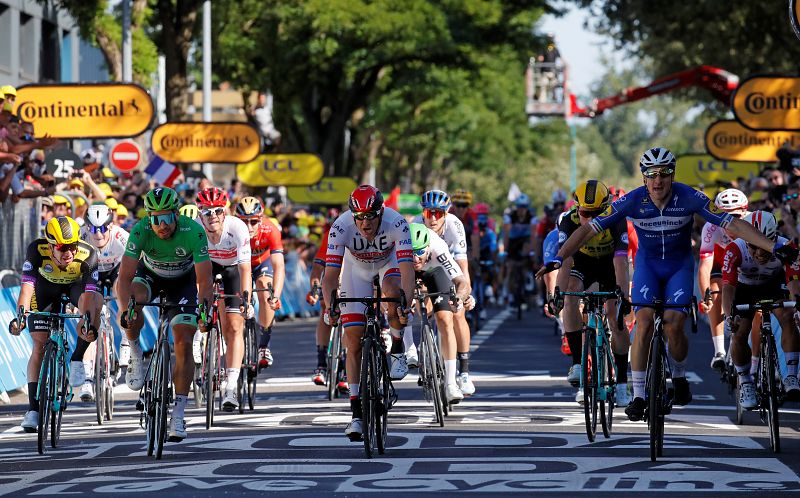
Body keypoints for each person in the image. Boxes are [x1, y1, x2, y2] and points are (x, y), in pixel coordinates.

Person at [539, 147, 797, 422]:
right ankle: (638, 395)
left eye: (664, 174)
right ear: (644, 178)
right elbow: (587, 230)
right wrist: (558, 257)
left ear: (672, 175)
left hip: (678, 266)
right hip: (648, 267)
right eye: (651, 175)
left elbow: (733, 224)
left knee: (674, 322)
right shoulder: (631, 201)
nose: (658, 181)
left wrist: (772, 246)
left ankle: (679, 375)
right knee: (645, 321)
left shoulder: (689, 197)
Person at [117, 187, 213, 441]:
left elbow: (204, 279)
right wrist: (125, 310)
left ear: (176, 214)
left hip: (183, 282)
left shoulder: (193, 230)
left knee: (183, 341)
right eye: (155, 219)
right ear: (149, 218)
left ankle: (179, 414)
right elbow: (124, 277)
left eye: (167, 218)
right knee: (133, 302)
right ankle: (135, 351)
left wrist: (205, 311)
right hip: (150, 276)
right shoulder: (140, 231)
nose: (162, 225)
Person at [321, 185, 414, 441]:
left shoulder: (397, 223)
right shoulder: (340, 227)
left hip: (389, 265)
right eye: (359, 217)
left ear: (380, 211)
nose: (364, 223)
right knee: (353, 339)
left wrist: (405, 302)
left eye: (370, 216)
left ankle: (397, 347)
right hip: (356, 271)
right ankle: (356, 414)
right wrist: (331, 304)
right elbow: (330, 276)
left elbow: (407, 270)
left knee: (393, 294)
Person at [9, 216, 103, 432]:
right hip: (45, 289)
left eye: (72, 246)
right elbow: (27, 289)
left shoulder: (88, 254)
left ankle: (77, 358)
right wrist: (20, 317)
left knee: (96, 303)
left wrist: (86, 323)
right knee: (39, 345)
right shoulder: (36, 250)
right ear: (50, 246)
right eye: (62, 247)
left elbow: (88, 298)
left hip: (75, 288)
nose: (69, 252)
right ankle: (33, 409)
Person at [552, 180, 631, 407]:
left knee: (614, 317)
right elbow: (565, 258)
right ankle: (577, 363)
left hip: (609, 264)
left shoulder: (616, 220)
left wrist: (623, 294)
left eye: (598, 213)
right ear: (577, 208)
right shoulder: (568, 221)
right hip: (582, 263)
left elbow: (620, 262)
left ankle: (622, 382)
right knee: (570, 295)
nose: (591, 219)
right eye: (586, 212)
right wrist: (558, 290)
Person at [721, 211, 800, 407]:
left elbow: (793, 281)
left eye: (763, 248)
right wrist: (728, 315)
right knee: (739, 332)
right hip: (743, 287)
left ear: (773, 239)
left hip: (774, 285)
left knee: (788, 315)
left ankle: (791, 375)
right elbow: (728, 287)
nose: (758, 253)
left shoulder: (787, 247)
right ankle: (746, 381)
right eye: (752, 246)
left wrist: (797, 305)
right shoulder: (734, 249)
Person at [196, 187, 253, 412]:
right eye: (206, 212)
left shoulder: (237, 228)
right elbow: (194, 272)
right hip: (207, 268)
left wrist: (246, 299)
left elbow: (245, 269)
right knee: (201, 313)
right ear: (200, 214)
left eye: (217, 211)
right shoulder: (196, 230)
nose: (212, 217)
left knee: (234, 326)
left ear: (225, 211)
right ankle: (201, 344)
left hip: (233, 271)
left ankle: (230, 385)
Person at [416, 190, 476, 396]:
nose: (432, 218)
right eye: (428, 213)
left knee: (457, 314)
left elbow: (461, 266)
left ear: (446, 213)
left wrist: (466, 294)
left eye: (438, 214)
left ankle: (464, 371)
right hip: (423, 268)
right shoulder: (415, 224)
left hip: (447, 267)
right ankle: (424, 349)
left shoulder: (455, 225)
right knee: (422, 305)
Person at [71, 203, 131, 402]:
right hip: (92, 273)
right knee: (90, 318)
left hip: (115, 271)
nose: (98, 234)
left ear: (110, 226)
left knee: (120, 290)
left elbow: (137, 263)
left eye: (103, 228)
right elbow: (73, 268)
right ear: (87, 227)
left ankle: (124, 338)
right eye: (94, 228)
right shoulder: (80, 236)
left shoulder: (121, 236)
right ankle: (87, 377)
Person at [697, 189, 749, 371]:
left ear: (745, 212)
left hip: (744, 260)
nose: (729, 222)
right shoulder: (710, 228)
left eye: (735, 216)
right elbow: (705, 266)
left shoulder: (754, 223)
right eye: (724, 216)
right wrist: (706, 296)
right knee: (715, 292)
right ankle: (719, 351)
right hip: (720, 259)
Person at [234, 196, 285, 370]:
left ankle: (264, 345)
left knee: (265, 289)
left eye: (253, 222)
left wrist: (275, 296)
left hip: (262, 263)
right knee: (238, 297)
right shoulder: (231, 230)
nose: (248, 227)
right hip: (241, 264)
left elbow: (279, 266)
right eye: (243, 222)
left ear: (261, 219)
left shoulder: (271, 230)